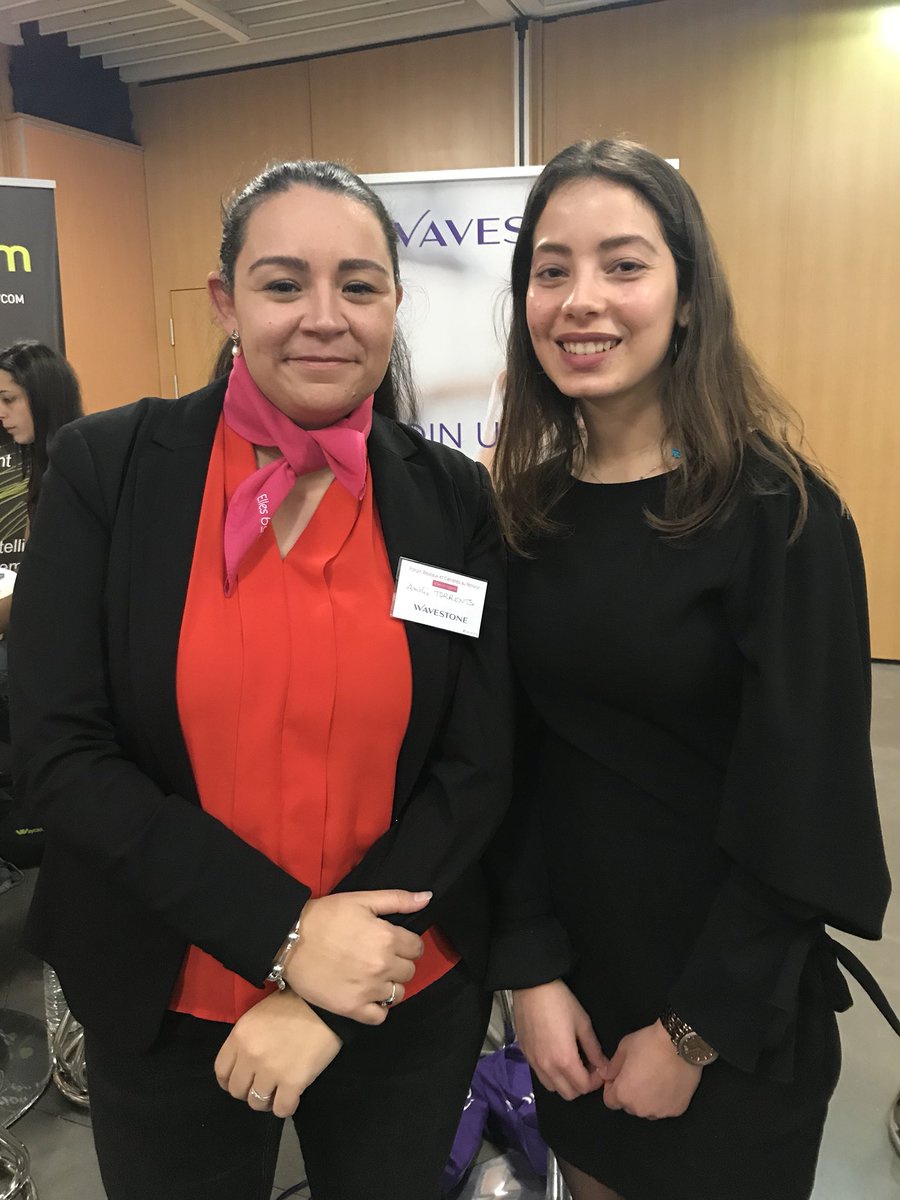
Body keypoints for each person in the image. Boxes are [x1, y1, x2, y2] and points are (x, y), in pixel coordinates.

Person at [10, 159, 512, 1200]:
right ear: (225, 300)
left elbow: (478, 759)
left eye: (358, 286)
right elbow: (61, 753)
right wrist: (284, 934)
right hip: (169, 992)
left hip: (396, 986)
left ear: (394, 305)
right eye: (284, 284)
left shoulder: (451, 498)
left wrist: (332, 980)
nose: (324, 317)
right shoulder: (109, 470)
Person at [486, 138, 894, 1200]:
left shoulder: (779, 516)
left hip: (731, 1004)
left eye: (623, 264)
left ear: (688, 293)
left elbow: (807, 807)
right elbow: (511, 760)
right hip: (576, 995)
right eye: (551, 270)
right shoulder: (527, 515)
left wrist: (694, 1029)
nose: (582, 300)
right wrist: (529, 967)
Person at [0, 340, 83, 634]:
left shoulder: (76, 470)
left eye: (9, 400)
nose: (1, 412)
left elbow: (57, 586)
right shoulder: (42, 466)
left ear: (43, 397)